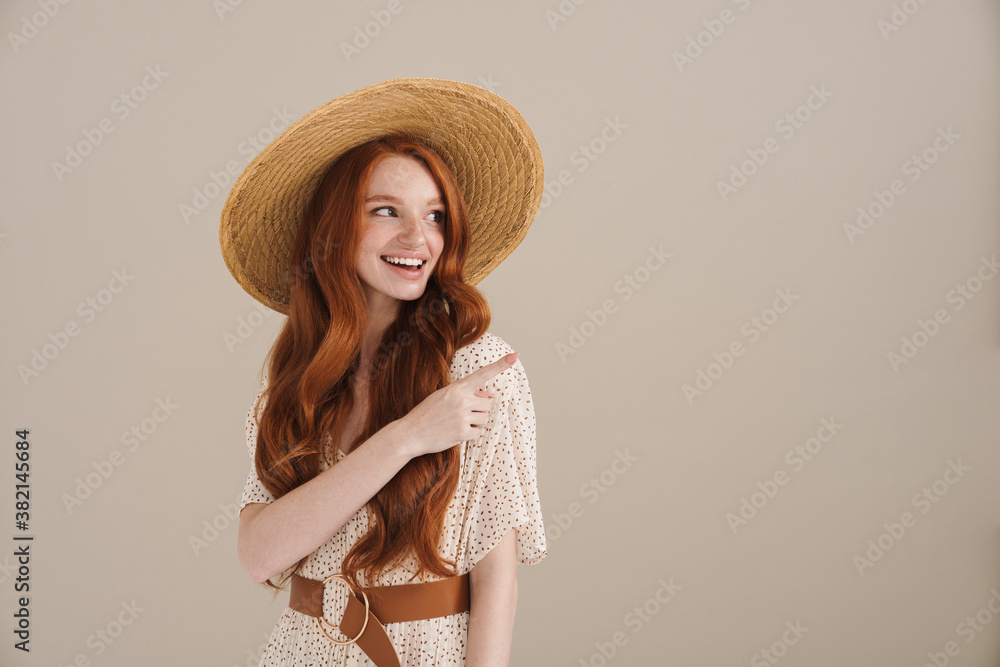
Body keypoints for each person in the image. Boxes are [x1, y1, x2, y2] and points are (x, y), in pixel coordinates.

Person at [219, 78, 547, 666]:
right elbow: (259, 555)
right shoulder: (299, 378)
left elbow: (497, 581)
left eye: (435, 216)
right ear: (336, 229)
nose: (416, 238)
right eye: (385, 211)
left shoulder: (477, 369)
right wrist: (408, 437)